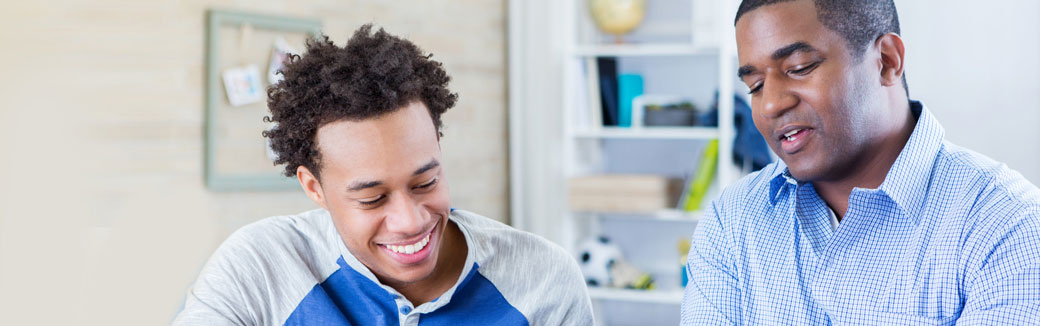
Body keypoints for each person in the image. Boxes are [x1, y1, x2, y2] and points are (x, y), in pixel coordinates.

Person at [174, 25, 593, 325]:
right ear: (313, 187)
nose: (411, 221)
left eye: (425, 182)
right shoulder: (260, 267)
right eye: (372, 198)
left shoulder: (543, 279)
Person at [681, 0, 1040, 324]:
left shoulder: (1007, 225)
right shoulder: (732, 219)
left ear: (887, 61)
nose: (771, 104)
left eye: (800, 67)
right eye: (755, 86)